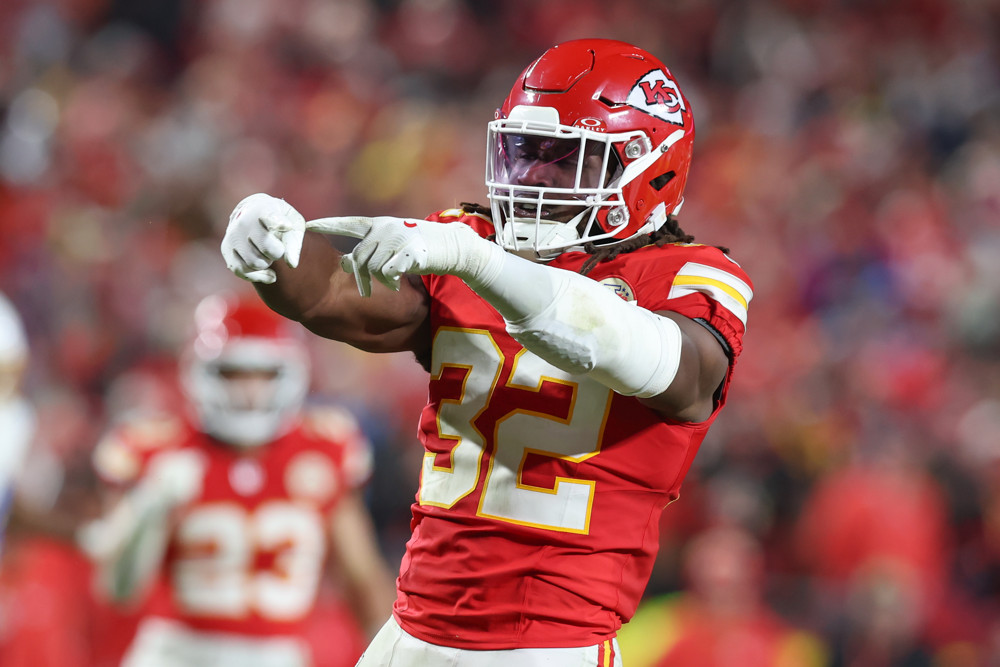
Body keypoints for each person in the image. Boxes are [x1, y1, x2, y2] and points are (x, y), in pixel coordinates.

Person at [221, 38, 754, 666]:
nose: (532, 177)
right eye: (524, 153)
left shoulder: (690, 274)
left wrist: (481, 262)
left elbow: (671, 371)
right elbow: (342, 296)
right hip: (412, 628)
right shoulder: (469, 242)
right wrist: (277, 253)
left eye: (564, 161)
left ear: (649, 170)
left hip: (550, 642)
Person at [82, 293, 396, 667]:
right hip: (176, 652)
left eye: (264, 375)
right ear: (199, 372)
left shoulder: (325, 450)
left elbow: (361, 578)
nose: (249, 391)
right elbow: (117, 589)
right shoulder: (158, 450)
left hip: (279, 655)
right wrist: (149, 505)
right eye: (233, 373)